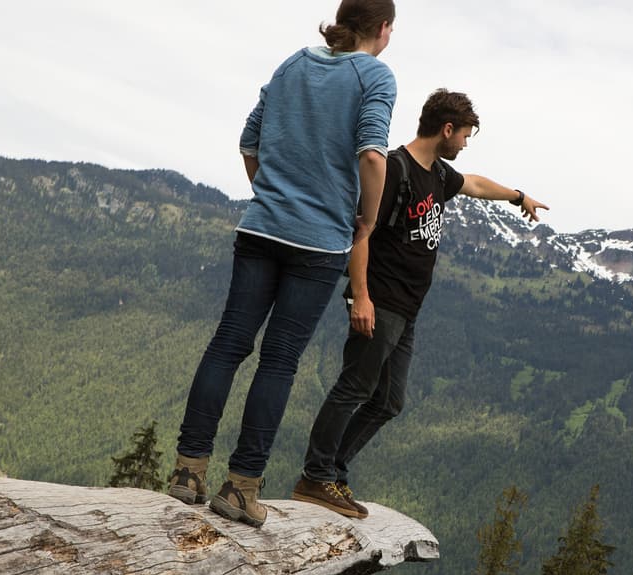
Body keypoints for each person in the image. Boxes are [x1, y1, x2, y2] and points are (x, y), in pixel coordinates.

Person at [166, 0, 398, 528]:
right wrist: (366, 219)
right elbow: (371, 154)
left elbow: (249, 141)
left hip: (261, 226)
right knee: (279, 360)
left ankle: (187, 471)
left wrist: (269, 192)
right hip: (318, 242)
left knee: (228, 343)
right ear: (383, 29)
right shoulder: (376, 75)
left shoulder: (293, 63)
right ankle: (242, 487)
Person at [291, 89, 549, 518]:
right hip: (381, 300)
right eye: (464, 135)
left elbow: (476, 183)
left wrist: (518, 196)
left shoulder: (438, 175)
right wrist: (361, 296)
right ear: (446, 129)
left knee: (389, 401)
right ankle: (316, 476)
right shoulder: (395, 170)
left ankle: (332, 471)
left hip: (407, 311)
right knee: (354, 387)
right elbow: (361, 233)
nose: (465, 144)